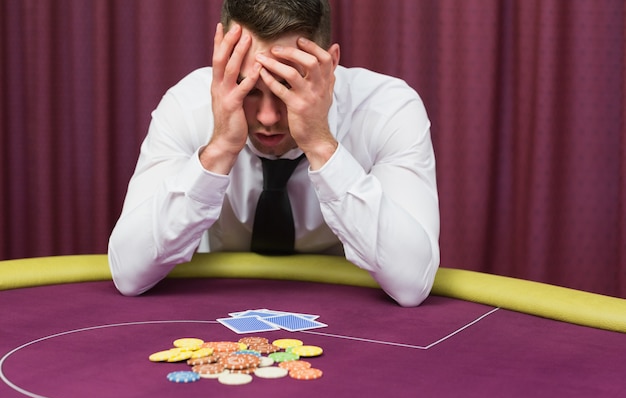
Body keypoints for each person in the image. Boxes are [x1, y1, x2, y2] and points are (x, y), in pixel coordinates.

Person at [108, 0, 440, 307]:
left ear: (332, 65)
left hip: (351, 310)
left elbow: (411, 282)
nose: (267, 117)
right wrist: (220, 147)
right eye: (249, 88)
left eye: (288, 84)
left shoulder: (388, 110)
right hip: (219, 303)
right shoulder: (187, 105)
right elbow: (129, 273)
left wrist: (320, 143)